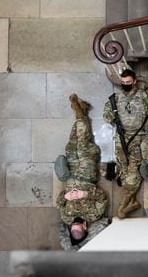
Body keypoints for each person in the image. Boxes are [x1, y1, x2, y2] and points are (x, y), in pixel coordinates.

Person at [103, 68, 148, 219]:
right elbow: (107, 115)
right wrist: (116, 120)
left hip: (138, 137)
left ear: (134, 82)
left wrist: (147, 123)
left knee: (133, 169)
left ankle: (126, 200)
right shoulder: (115, 98)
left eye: (128, 82)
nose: (125, 85)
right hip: (121, 137)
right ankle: (132, 198)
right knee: (122, 166)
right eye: (123, 82)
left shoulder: (143, 96)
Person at [56, 94, 108, 249]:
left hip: (70, 172)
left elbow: (60, 202)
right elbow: (102, 197)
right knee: (83, 142)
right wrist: (85, 194)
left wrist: (65, 196)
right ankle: (78, 112)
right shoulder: (94, 215)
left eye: (73, 226)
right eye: (79, 226)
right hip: (86, 173)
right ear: (85, 228)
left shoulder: (66, 217)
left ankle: (82, 112)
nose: (75, 223)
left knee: (72, 142)